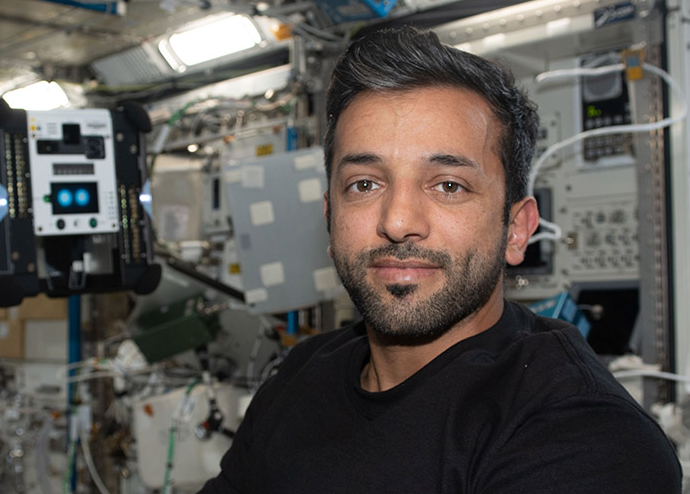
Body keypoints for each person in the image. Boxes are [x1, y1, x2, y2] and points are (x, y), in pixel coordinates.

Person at [198, 26, 682, 493]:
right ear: (330, 218)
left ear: (516, 229)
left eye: (449, 185)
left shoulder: (584, 438)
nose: (397, 220)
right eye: (364, 184)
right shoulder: (302, 376)